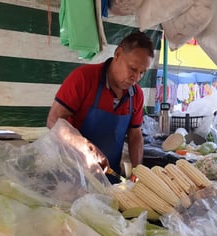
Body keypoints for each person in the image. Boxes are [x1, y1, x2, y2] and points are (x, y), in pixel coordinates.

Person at [46, 31, 154, 182]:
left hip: (110, 176)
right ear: (118, 54)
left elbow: (135, 134)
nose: (136, 78)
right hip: (71, 174)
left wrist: (138, 171)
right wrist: (82, 145)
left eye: (142, 73)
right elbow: (53, 120)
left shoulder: (136, 95)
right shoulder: (83, 78)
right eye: (133, 69)